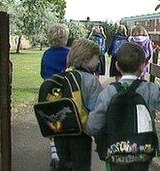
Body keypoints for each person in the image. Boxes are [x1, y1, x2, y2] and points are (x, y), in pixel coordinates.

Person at [86, 42, 160, 171]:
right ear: (143, 66)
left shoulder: (108, 92)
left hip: (114, 149)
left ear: (117, 66)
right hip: (143, 148)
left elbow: (93, 126)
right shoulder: (151, 90)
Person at [54, 38, 103, 171]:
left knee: (64, 164)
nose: (98, 61)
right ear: (86, 60)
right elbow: (97, 111)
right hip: (81, 134)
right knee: (81, 166)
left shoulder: (61, 77)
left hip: (60, 132)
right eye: (96, 57)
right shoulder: (91, 81)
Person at [39, 23, 70, 170]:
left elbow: (42, 73)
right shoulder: (69, 53)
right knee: (67, 118)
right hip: (65, 90)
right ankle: (66, 150)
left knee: (51, 119)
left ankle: (54, 153)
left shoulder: (46, 54)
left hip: (49, 90)